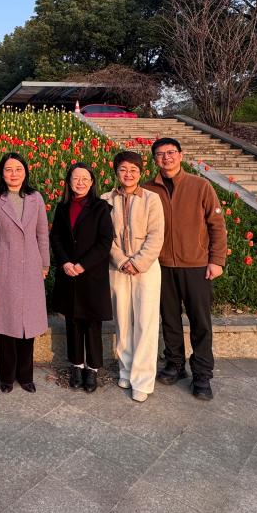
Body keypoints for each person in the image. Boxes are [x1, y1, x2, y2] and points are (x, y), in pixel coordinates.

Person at [144, 137, 226, 401]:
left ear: (180, 155)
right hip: (161, 265)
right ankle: (175, 363)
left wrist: (216, 260)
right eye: (160, 154)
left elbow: (216, 225)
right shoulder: (148, 190)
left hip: (196, 265)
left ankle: (202, 374)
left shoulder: (200, 186)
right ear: (154, 159)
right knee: (169, 318)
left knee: (200, 322)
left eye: (171, 152)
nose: (166, 158)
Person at [0, 152, 49, 393]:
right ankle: (6, 377)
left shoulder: (35, 198)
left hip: (31, 267)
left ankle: (26, 376)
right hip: (4, 267)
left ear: (25, 172)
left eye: (18, 169)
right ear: (1, 173)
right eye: (8, 169)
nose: (14, 174)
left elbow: (42, 233)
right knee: (6, 324)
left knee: (28, 324)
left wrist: (45, 264)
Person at [102, 150, 164, 403]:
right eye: (123, 169)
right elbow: (104, 236)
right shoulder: (106, 199)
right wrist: (121, 260)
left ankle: (143, 380)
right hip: (117, 267)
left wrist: (137, 262)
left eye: (133, 170)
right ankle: (125, 370)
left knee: (145, 323)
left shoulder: (152, 199)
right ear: (116, 172)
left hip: (146, 269)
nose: (128, 174)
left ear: (140, 173)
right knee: (123, 321)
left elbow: (156, 235)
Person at [50, 162, 114, 393]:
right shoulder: (62, 207)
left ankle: (93, 368)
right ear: (68, 181)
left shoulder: (101, 207)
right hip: (69, 273)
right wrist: (65, 262)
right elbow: (56, 237)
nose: (80, 182)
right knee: (73, 321)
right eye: (76, 178)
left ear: (92, 182)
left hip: (91, 274)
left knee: (92, 323)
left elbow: (105, 241)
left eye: (85, 178)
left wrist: (82, 265)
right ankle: (76, 365)